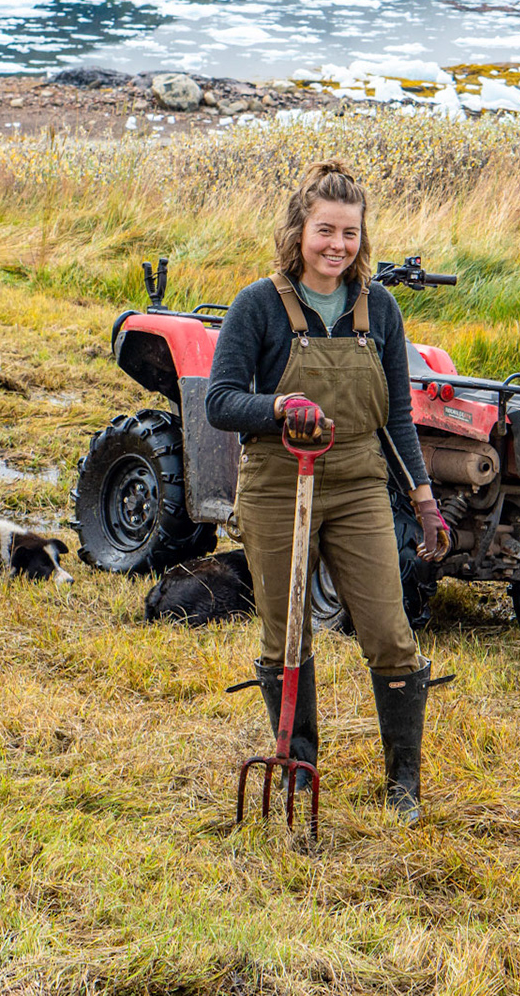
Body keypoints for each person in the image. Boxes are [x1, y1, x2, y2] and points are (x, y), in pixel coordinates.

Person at [205, 159, 453, 823]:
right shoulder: (259, 304)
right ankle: (297, 767)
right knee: (288, 636)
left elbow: (396, 415)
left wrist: (424, 499)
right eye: (325, 231)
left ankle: (403, 785)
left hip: (359, 483)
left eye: (349, 232)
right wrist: (280, 405)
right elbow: (221, 402)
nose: (336, 245)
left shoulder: (381, 308)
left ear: (362, 236)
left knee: (391, 635)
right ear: (298, 230)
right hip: (278, 483)